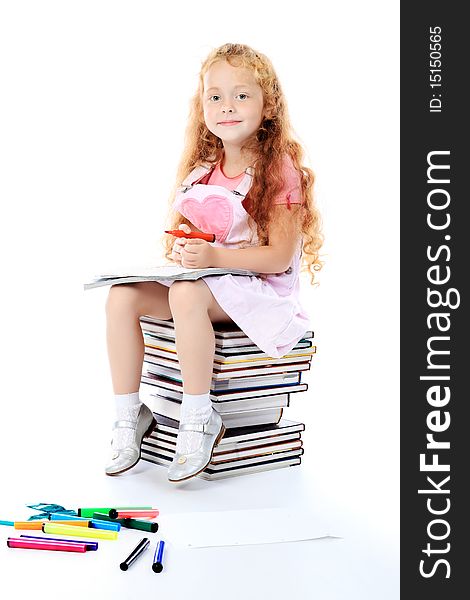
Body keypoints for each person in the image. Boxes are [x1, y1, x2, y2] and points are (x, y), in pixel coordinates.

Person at [104, 42, 323, 482]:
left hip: (261, 291)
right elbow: (200, 238)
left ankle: (199, 416)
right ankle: (130, 416)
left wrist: (213, 257)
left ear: (268, 106)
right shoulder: (204, 168)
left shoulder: (276, 168)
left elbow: (279, 259)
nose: (226, 106)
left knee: (187, 294)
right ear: (201, 104)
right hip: (213, 283)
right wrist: (185, 249)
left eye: (242, 95)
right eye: (215, 96)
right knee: (121, 297)